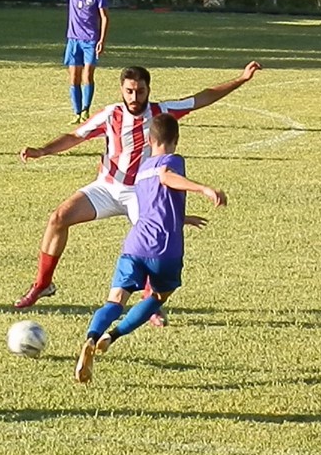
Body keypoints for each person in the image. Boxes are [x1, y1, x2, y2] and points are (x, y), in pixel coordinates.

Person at [15, 61, 261, 312]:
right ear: (122, 89)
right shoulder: (110, 114)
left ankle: (150, 303)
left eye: (140, 91)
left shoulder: (161, 112)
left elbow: (201, 98)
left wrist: (241, 79)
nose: (134, 97)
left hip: (142, 193)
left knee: (150, 242)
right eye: (129, 91)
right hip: (107, 187)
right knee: (58, 217)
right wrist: (43, 150)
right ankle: (43, 284)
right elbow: (76, 136)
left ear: (148, 90)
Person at [75, 113, 226, 382]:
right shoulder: (173, 160)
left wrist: (183, 218)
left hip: (135, 243)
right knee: (157, 297)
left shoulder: (143, 169)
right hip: (164, 248)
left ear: (148, 139)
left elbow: (155, 204)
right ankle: (113, 336)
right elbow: (167, 177)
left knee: (115, 300)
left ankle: (92, 337)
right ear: (176, 140)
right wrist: (203, 189)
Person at [20, 0, 108, 123]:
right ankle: (76, 113)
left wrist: (101, 40)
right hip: (74, 41)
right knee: (74, 78)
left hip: (90, 41)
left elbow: (105, 18)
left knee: (87, 76)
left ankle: (85, 110)